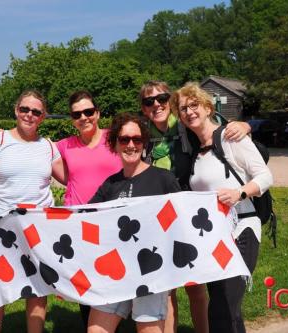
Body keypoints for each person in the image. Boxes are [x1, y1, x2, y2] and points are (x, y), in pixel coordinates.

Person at [138, 80, 252, 333]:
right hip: (157, 216)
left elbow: (223, 132)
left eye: (162, 99)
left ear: (170, 101)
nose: (156, 105)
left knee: (194, 283)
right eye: (149, 102)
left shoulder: (186, 126)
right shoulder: (143, 135)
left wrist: (245, 125)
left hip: (189, 214)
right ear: (144, 108)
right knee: (167, 285)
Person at [170, 82, 273, 333]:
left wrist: (239, 192)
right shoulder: (195, 151)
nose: (189, 111)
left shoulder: (231, 136)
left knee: (224, 304)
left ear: (207, 107)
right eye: (183, 109)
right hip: (212, 236)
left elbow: (266, 177)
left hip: (241, 230)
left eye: (194, 105)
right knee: (225, 306)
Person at [0, 90, 62, 333]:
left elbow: (73, 178)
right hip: (1, 227)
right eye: (24, 109)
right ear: (16, 111)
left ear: (43, 116)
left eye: (36, 111)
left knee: (38, 289)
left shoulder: (49, 146)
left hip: (39, 228)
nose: (29, 115)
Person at [87, 113, 181, 333]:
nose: (131, 145)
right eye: (124, 139)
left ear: (144, 143)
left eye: (137, 140)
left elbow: (180, 222)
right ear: (115, 145)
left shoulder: (163, 179)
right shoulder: (111, 184)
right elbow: (84, 217)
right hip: (114, 270)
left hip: (151, 271)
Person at [55, 90, 123, 329]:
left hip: (113, 222)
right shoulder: (64, 146)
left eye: (88, 112)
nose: (84, 117)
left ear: (97, 113)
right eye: (77, 114)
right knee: (85, 282)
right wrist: (0, 135)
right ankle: (90, 325)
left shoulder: (115, 139)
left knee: (114, 276)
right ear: (72, 119)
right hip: (78, 224)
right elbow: (31, 148)